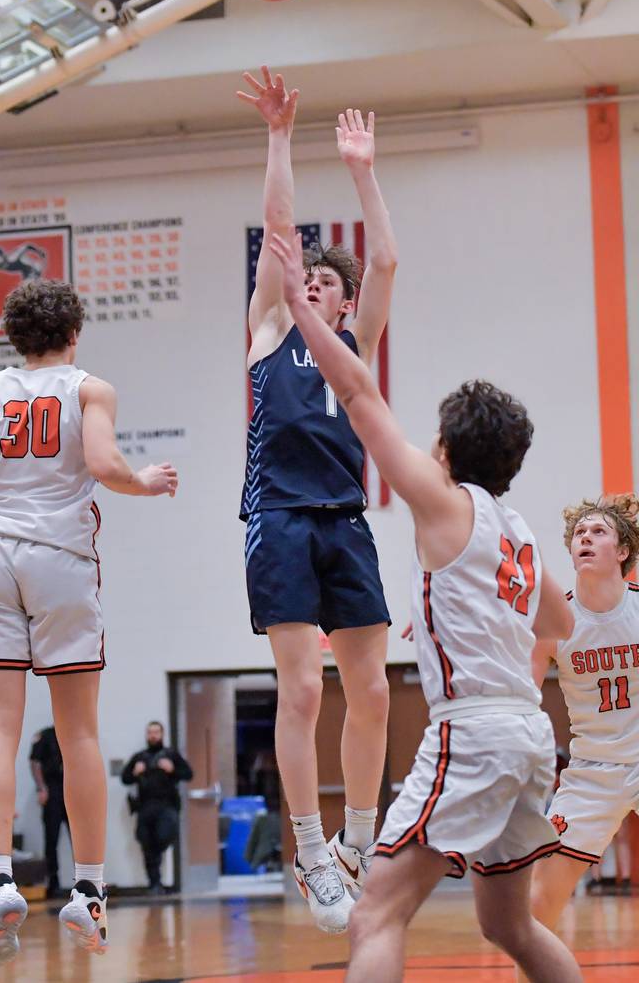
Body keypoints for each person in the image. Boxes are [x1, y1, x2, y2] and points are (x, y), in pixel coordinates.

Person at [268, 228, 582, 983]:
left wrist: (301, 311)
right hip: (532, 734)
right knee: (506, 922)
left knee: (375, 911)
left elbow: (355, 391)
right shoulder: (521, 531)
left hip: (472, 735)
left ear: (445, 446)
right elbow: (559, 625)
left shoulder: (441, 501)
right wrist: (466, 611)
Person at [0, 278, 178, 967]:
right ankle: (89, 890)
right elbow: (106, 464)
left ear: (13, 338)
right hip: (60, 560)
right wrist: (146, 479)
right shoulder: (90, 388)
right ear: (75, 333)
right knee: (77, 728)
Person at [236, 72, 395, 932]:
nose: (327, 288)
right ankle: (309, 851)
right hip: (280, 521)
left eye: (337, 284)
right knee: (301, 692)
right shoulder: (269, 329)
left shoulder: (357, 344)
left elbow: (389, 262)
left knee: (369, 689)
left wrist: (363, 172)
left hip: (346, 520)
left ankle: (357, 843)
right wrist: (281, 136)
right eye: (318, 282)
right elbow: (278, 233)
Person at [524, 495, 639, 976]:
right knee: (536, 905)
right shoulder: (553, 621)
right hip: (592, 771)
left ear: (623, 551)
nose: (585, 539)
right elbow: (522, 700)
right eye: (579, 534)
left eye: (598, 532)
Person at [121, 722, 193, 894]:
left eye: (156, 732)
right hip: (145, 806)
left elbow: (188, 774)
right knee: (146, 843)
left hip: (166, 805)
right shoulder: (139, 757)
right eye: (150, 732)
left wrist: (172, 769)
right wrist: (135, 773)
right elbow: (125, 778)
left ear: (162, 734)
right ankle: (155, 883)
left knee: (163, 836)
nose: (153, 735)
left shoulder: (171, 755)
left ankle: (157, 876)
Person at [29, 726, 68, 898]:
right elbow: (35, 762)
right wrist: (41, 788)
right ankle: (54, 883)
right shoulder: (45, 735)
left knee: (81, 838)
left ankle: (86, 881)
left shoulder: (76, 731)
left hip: (72, 788)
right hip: (52, 790)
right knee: (51, 839)